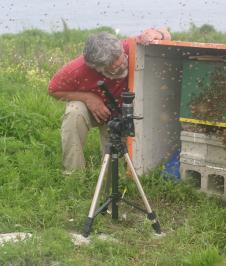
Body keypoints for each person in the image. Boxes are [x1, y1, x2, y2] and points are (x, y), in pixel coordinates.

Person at [48, 28, 171, 173]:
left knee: (118, 170)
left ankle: (113, 173)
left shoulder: (130, 45)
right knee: (75, 112)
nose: (120, 64)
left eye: (120, 58)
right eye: (113, 66)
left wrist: (157, 34)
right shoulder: (76, 70)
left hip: (125, 111)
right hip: (96, 111)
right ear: (96, 68)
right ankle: (75, 175)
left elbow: (166, 34)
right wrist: (88, 98)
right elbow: (54, 90)